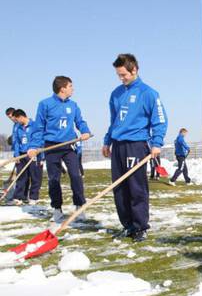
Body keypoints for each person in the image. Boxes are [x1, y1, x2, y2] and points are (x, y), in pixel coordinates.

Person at [102, 54, 167, 242]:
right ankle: (128, 225)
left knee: (136, 187)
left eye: (124, 75)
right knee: (119, 187)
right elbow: (113, 121)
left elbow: (160, 120)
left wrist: (157, 143)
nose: (121, 78)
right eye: (118, 75)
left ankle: (140, 227)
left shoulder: (148, 93)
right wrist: (107, 141)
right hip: (118, 146)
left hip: (136, 145)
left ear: (134, 70)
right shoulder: (116, 94)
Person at [27, 76, 91, 223]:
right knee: (54, 179)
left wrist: (85, 131)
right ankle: (57, 208)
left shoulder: (73, 105)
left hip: (69, 146)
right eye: (70, 86)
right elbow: (38, 127)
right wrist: (33, 146)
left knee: (76, 176)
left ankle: (79, 206)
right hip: (52, 146)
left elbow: (80, 121)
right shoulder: (45, 104)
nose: (72, 89)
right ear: (62, 88)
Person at [11, 109, 43, 205]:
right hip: (22, 154)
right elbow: (16, 142)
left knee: (35, 176)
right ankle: (19, 197)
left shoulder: (35, 125)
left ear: (21, 117)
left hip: (34, 154)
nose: (17, 122)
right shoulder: (18, 127)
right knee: (21, 176)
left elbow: (40, 140)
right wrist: (16, 155)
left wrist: (41, 156)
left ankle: (33, 197)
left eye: (17, 119)